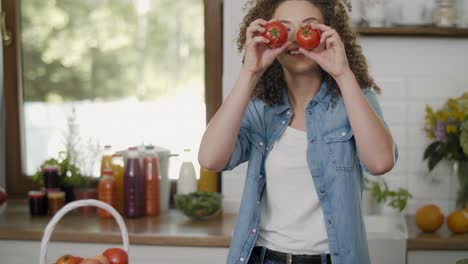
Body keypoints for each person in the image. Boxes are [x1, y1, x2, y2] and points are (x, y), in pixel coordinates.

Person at [198, 0, 398, 263]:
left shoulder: (354, 99)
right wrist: (250, 72)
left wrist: (343, 73)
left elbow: (381, 162)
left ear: (329, 33)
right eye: (284, 29)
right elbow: (210, 159)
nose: (294, 39)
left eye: (308, 27)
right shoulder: (259, 106)